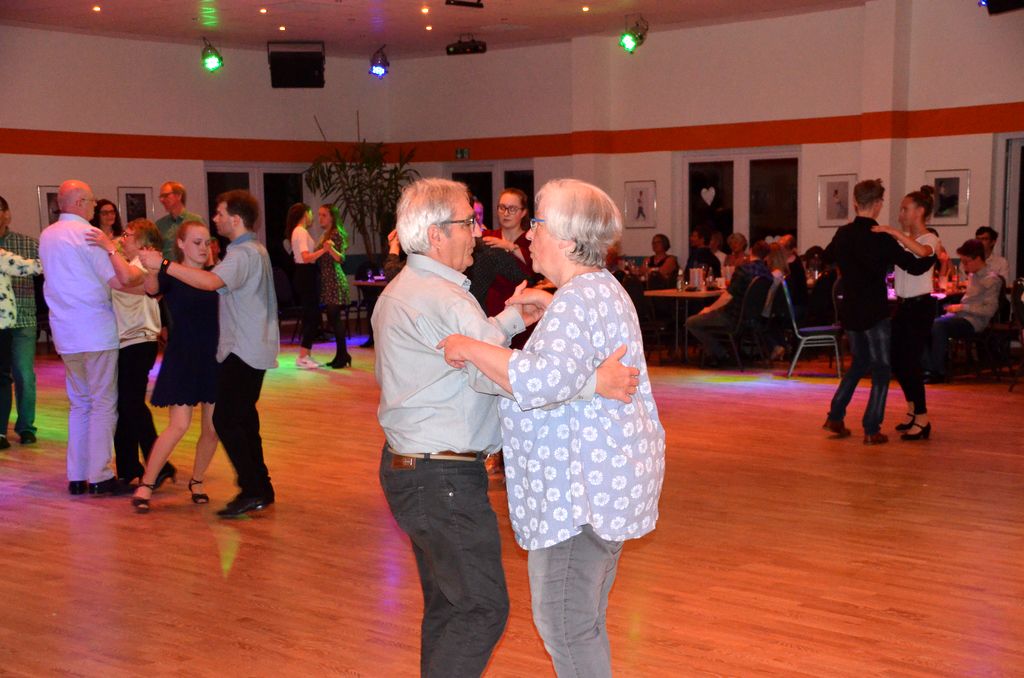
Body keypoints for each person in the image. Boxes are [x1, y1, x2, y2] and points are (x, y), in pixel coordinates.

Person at [373, 178, 635, 677]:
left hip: (415, 471)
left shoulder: (413, 289)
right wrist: (593, 382)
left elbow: (473, 347)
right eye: (467, 222)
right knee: (480, 609)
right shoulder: (443, 298)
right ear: (435, 234)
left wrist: (513, 317)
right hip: (442, 477)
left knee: (451, 607)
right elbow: (498, 375)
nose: (478, 231)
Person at [438, 178, 665, 678]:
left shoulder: (578, 300)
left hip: (578, 497)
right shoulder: (595, 290)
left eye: (537, 223)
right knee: (582, 623)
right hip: (601, 488)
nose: (529, 234)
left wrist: (470, 346)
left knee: (566, 626)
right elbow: (568, 370)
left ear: (565, 237)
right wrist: (549, 309)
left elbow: (540, 381)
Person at [141, 190, 279, 517]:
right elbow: (156, 287)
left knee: (226, 419)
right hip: (242, 348)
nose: (215, 219)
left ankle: (252, 489)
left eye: (220, 214)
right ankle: (260, 487)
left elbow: (210, 283)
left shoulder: (243, 254)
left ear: (235, 219)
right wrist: (158, 269)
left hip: (242, 350)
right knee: (243, 419)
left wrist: (164, 264)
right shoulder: (251, 250)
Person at [40, 179, 145, 495]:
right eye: (91, 200)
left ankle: (77, 476)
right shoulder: (88, 235)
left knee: (80, 404)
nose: (95, 205)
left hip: (65, 331)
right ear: (78, 203)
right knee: (102, 404)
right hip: (95, 330)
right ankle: (100, 475)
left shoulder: (47, 235)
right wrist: (148, 280)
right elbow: (119, 280)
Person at [821, 179, 934, 445]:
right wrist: (932, 254)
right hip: (875, 311)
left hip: (850, 310)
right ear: (878, 204)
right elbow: (914, 266)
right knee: (882, 370)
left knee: (859, 363)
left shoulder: (843, 233)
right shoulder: (881, 237)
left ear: (855, 203)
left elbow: (826, 258)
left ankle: (835, 416)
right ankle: (871, 428)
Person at [131, 221, 220, 512]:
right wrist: (151, 267)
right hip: (183, 356)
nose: (203, 248)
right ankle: (147, 483)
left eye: (206, 242)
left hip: (214, 357)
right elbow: (152, 288)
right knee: (179, 425)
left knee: (213, 427)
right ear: (180, 244)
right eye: (196, 242)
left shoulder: (216, 274)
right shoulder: (171, 273)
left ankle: (197, 480)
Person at [92, 219, 176, 486]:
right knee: (125, 405)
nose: (123, 238)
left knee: (131, 404)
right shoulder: (129, 263)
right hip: (126, 342)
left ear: (144, 244)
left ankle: (156, 463)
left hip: (139, 342)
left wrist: (108, 248)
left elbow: (125, 280)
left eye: (128, 235)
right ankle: (129, 468)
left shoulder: (143, 264)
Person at [872, 186, 942, 441]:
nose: (900, 214)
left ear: (920, 211)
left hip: (921, 307)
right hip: (904, 306)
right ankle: (913, 409)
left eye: (905, 209)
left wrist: (893, 233)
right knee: (898, 360)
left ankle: (922, 419)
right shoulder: (905, 240)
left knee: (910, 362)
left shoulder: (930, 239)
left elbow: (922, 253)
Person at [924, 238, 1003, 384]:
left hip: (975, 322)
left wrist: (961, 307)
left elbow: (989, 310)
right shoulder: (973, 276)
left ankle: (938, 371)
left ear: (977, 259)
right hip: (962, 317)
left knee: (938, 326)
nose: (964, 266)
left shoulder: (991, 280)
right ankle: (928, 368)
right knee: (924, 323)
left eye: (966, 262)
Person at [0, 195, 41, 446]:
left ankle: (26, 427)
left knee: (24, 374)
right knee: (2, 377)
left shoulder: (26, 243)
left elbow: (40, 267)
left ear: (7, 214)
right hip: (1, 323)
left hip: (23, 318)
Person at [685, 249, 771, 367]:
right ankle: (716, 354)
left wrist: (709, 308)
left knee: (691, 322)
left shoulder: (743, 270)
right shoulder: (767, 273)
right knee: (710, 317)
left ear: (750, 252)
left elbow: (727, 297)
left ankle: (721, 354)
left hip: (733, 317)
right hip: (752, 318)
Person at [287, 202, 330, 369]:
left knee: (310, 315)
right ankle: (303, 356)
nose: (313, 217)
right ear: (305, 214)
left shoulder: (299, 232)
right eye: (311, 213)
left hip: (305, 274)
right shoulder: (300, 231)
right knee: (311, 316)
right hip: (305, 274)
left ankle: (306, 355)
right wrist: (324, 250)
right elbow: (306, 257)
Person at [316, 204, 352, 369]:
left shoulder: (336, 233)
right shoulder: (326, 234)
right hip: (328, 280)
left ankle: (343, 355)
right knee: (333, 318)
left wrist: (329, 249)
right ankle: (341, 354)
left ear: (332, 217)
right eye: (319, 215)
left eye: (324, 215)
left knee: (335, 318)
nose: (320, 218)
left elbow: (341, 258)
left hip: (334, 280)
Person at [155, 182, 204, 260]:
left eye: (165, 195)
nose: (161, 200)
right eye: (161, 197)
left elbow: (206, 249)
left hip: (190, 267)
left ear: (178, 196)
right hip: (166, 266)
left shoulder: (196, 221)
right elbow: (157, 252)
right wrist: (163, 265)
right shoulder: (160, 224)